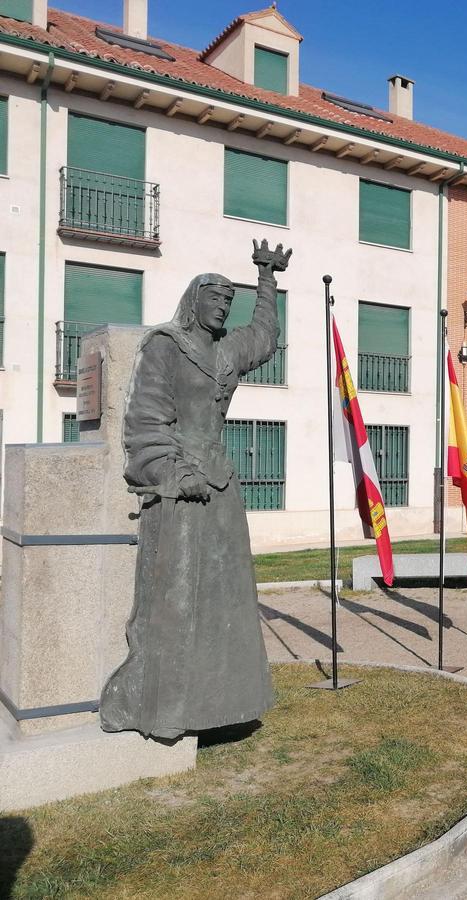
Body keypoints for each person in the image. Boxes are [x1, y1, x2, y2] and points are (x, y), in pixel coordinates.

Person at [100, 240, 290, 738]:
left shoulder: (226, 350)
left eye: (230, 299)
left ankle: (220, 707)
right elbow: (145, 421)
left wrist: (266, 278)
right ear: (195, 299)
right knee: (174, 599)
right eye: (217, 297)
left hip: (221, 484)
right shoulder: (165, 345)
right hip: (179, 489)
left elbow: (264, 337)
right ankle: (162, 712)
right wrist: (173, 474)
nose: (224, 306)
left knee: (226, 601)